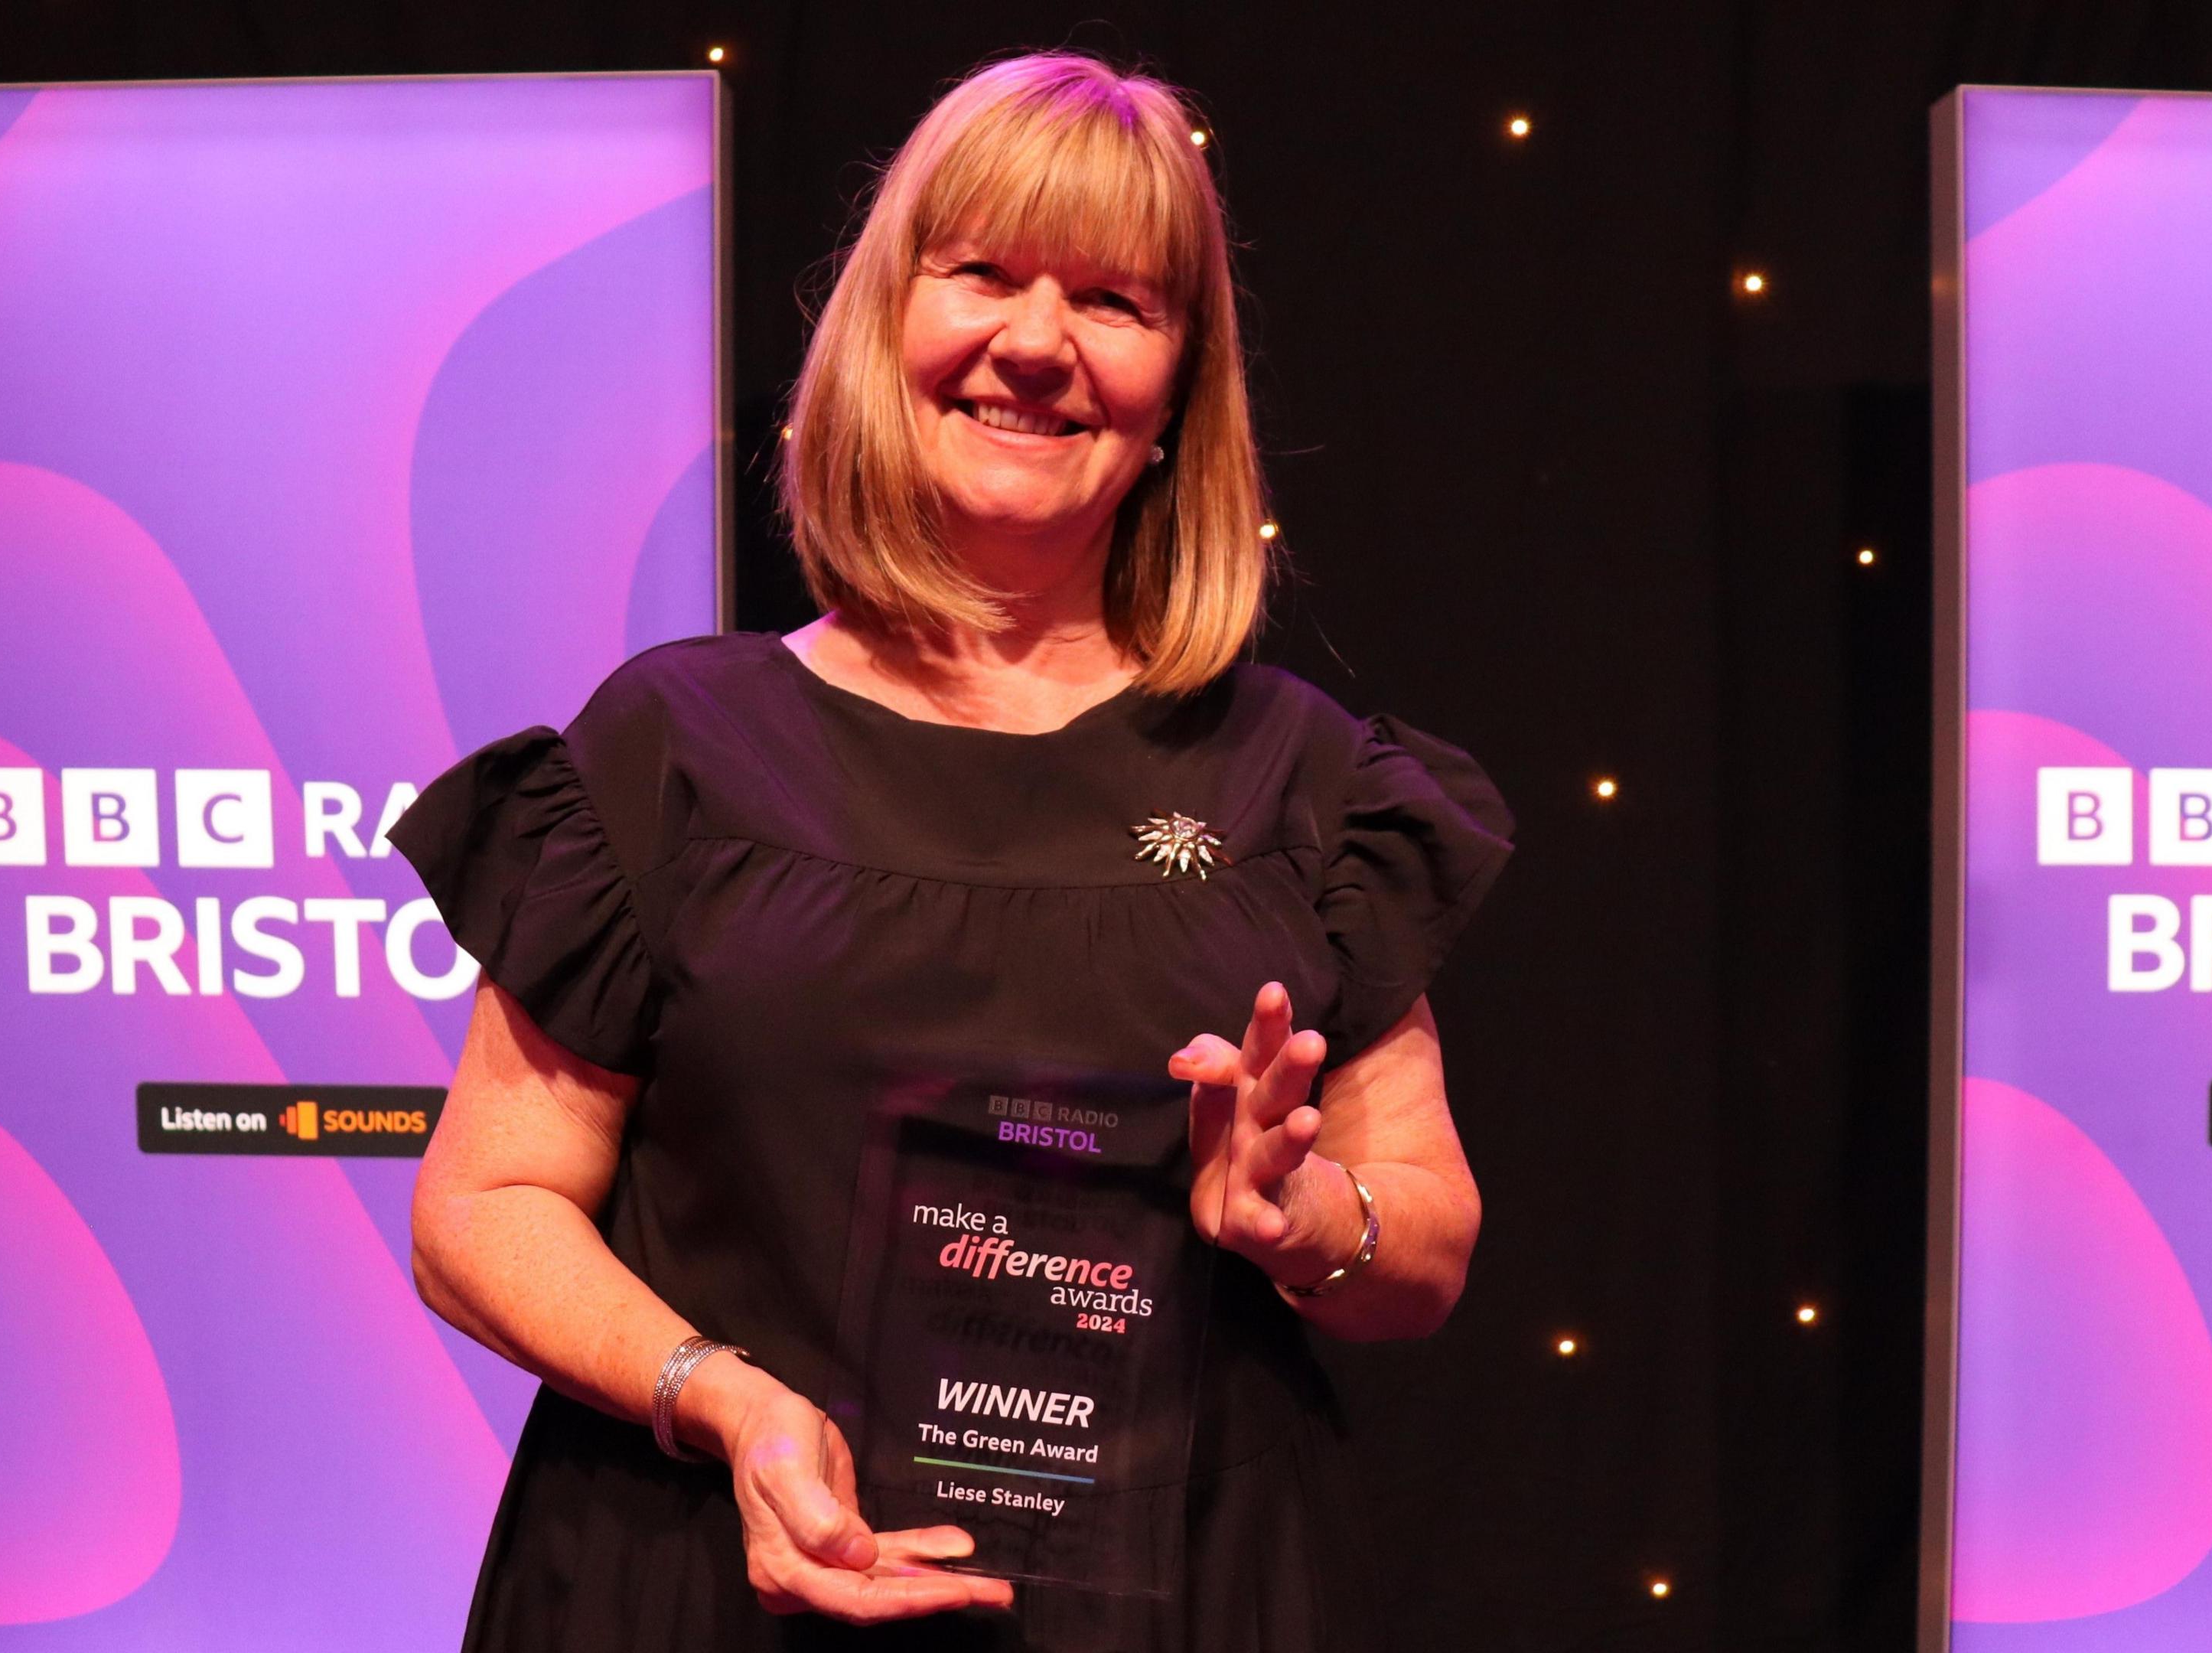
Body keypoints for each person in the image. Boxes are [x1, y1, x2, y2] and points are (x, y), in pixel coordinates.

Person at [392, 51, 1512, 1652]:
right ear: (884, 327)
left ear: (1183, 384)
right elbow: (482, 1206)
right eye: (981, 272)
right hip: (713, 1588)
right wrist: (725, 1404)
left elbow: (1431, 1240)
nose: (1037, 345)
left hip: (1177, 1602)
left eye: (1117, 301)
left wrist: (1308, 1216)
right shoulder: (675, 747)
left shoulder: (1301, 777)